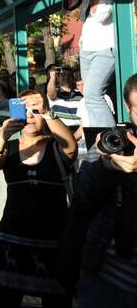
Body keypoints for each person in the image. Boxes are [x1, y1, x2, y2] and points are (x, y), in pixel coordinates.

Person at [0, 91, 77, 307]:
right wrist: (2, 135)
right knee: (4, 301)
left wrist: (48, 111)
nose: (30, 116)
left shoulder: (55, 147)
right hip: (11, 243)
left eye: (35, 111)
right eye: (24, 111)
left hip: (53, 245)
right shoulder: (10, 148)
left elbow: (70, 148)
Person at [59, 74, 137, 307]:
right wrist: (106, 167)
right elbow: (80, 198)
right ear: (127, 108)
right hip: (104, 278)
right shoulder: (114, 142)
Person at [63, 0, 116, 130]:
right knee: (88, 95)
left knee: (94, 94)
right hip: (87, 49)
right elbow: (66, 8)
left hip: (105, 48)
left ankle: (111, 138)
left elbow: (99, 15)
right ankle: (96, 136)